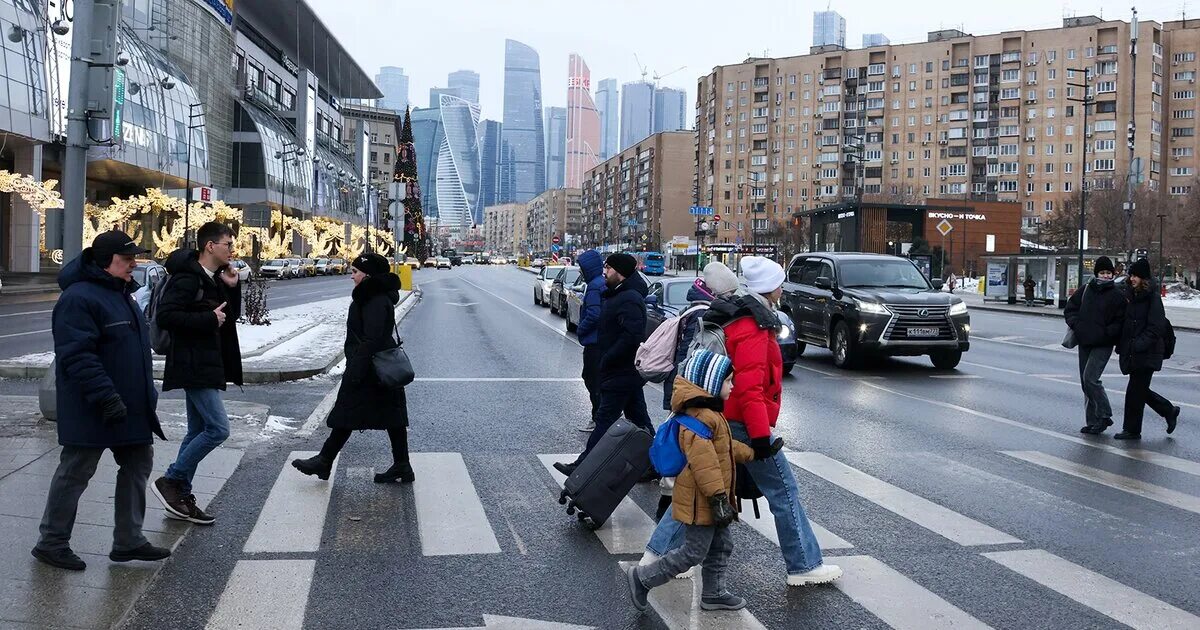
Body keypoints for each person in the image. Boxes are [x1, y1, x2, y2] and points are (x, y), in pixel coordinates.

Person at [641, 256, 842, 587]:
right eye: (780, 282)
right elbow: (750, 388)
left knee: (698, 489)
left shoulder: (738, 315)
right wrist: (761, 438)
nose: (782, 287)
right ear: (773, 288)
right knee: (784, 492)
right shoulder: (752, 325)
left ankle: (656, 554)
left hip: (721, 418)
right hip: (743, 424)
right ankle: (803, 565)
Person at [33, 231, 170, 570]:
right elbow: (76, 355)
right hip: (94, 406)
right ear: (105, 262)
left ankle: (128, 540)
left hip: (130, 407)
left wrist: (145, 395)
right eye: (127, 260)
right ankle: (52, 542)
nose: (133, 265)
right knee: (76, 471)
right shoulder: (79, 298)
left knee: (138, 463)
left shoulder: (121, 294)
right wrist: (106, 397)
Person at [626, 350, 781, 612]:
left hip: (712, 500)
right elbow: (704, 464)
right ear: (710, 383)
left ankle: (714, 593)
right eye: (728, 381)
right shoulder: (699, 419)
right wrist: (718, 498)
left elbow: (725, 448)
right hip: (704, 501)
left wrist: (755, 453)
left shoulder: (710, 414)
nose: (733, 386)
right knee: (693, 552)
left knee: (722, 545)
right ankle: (642, 578)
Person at [152, 221, 243, 525]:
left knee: (196, 431)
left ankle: (180, 498)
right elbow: (166, 315)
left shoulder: (211, 277)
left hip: (206, 362)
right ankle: (172, 479)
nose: (232, 249)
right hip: (193, 364)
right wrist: (206, 319)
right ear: (210, 246)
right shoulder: (188, 278)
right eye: (228, 244)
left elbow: (230, 318)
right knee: (218, 429)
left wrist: (233, 285)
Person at [293, 253, 413, 481]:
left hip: (370, 368)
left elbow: (372, 338)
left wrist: (356, 369)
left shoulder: (374, 299)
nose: (352, 277)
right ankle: (401, 465)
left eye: (355, 272)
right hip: (375, 367)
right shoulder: (373, 296)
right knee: (390, 416)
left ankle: (325, 460)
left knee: (348, 413)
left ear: (367, 275)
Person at [554, 253, 653, 477]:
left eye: (608, 268)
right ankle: (655, 464)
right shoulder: (616, 294)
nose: (604, 272)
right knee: (639, 420)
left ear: (621, 273)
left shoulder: (629, 298)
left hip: (621, 371)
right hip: (623, 372)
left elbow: (632, 336)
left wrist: (608, 357)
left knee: (605, 420)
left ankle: (582, 466)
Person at [1115, 258, 1181, 440]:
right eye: (1131, 275)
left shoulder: (1152, 297)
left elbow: (1156, 326)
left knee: (1135, 391)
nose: (1131, 279)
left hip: (1148, 351)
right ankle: (1169, 410)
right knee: (1139, 390)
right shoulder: (1132, 296)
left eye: (1135, 276)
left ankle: (1132, 430)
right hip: (1135, 351)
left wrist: (1139, 344)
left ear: (1143, 278)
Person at [1064, 256, 1126, 435]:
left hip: (1103, 344)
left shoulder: (1117, 295)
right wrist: (1077, 325)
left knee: (1091, 378)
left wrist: (1109, 333)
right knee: (1085, 382)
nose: (1105, 276)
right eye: (1102, 272)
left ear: (1113, 274)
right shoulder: (1086, 290)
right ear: (1096, 273)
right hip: (1085, 341)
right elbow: (1071, 309)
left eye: (1108, 273)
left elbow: (1120, 320)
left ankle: (1104, 415)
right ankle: (1092, 421)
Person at [575, 249, 606, 433]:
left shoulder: (594, 286)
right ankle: (602, 415)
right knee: (596, 379)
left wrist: (581, 328)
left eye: (581, 268)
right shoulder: (600, 283)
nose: (580, 271)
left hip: (594, 342)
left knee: (591, 378)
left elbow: (594, 314)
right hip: (600, 341)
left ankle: (599, 417)